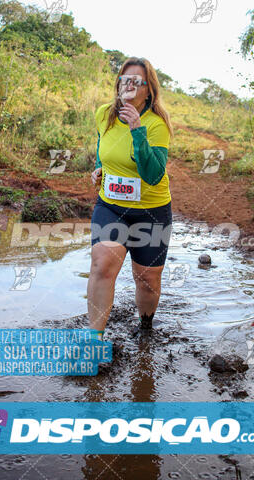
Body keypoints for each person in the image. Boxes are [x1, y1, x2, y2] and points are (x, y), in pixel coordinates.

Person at [88, 57, 173, 338]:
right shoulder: (104, 114)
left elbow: (152, 174)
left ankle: (145, 326)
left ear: (149, 90)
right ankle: (93, 340)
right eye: (125, 79)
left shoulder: (157, 124)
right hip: (111, 206)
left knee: (147, 280)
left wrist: (137, 129)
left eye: (137, 81)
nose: (129, 85)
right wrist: (103, 169)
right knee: (102, 264)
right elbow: (105, 148)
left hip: (151, 211)